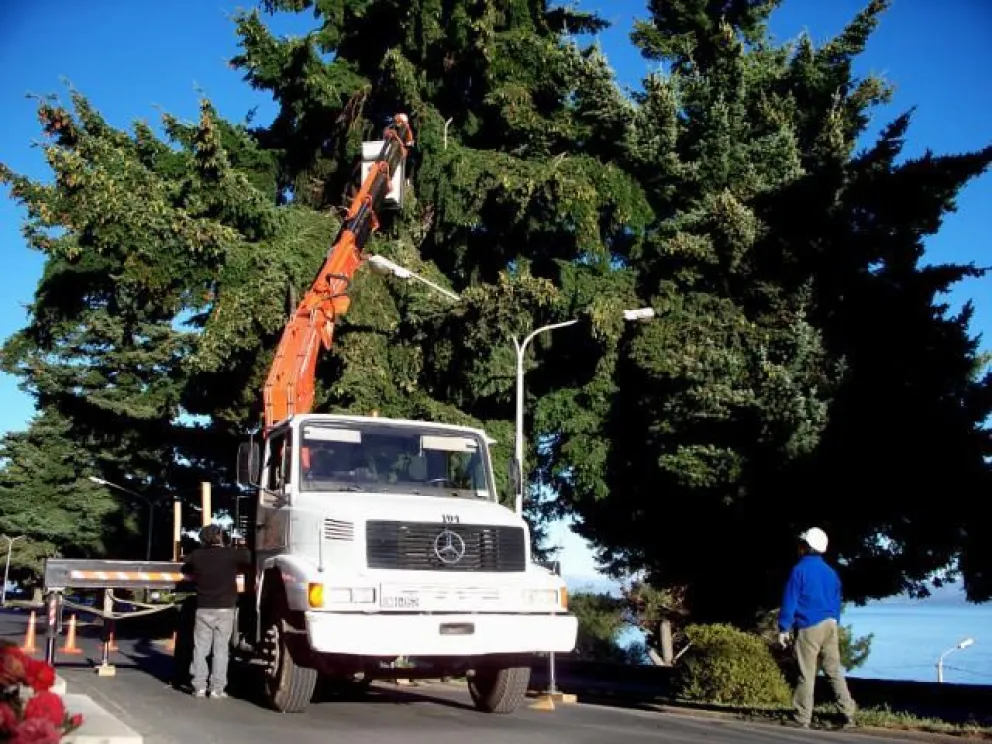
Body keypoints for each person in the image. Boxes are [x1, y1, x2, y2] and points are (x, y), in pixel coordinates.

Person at [777, 527, 857, 729]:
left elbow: (790, 600)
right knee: (833, 670)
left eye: (801, 544)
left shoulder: (799, 570)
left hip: (808, 625)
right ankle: (848, 714)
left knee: (806, 672)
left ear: (805, 546)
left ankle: (802, 716)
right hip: (830, 624)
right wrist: (835, 621)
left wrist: (783, 627)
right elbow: (837, 601)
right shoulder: (831, 572)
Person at [182, 524, 251, 699]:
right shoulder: (231, 554)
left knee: (200, 649)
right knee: (221, 650)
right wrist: (241, 544)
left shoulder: (197, 556)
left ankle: (198, 686)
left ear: (203, 539)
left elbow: (185, 566)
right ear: (221, 537)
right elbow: (248, 557)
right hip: (226, 609)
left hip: (204, 608)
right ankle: (217, 689)